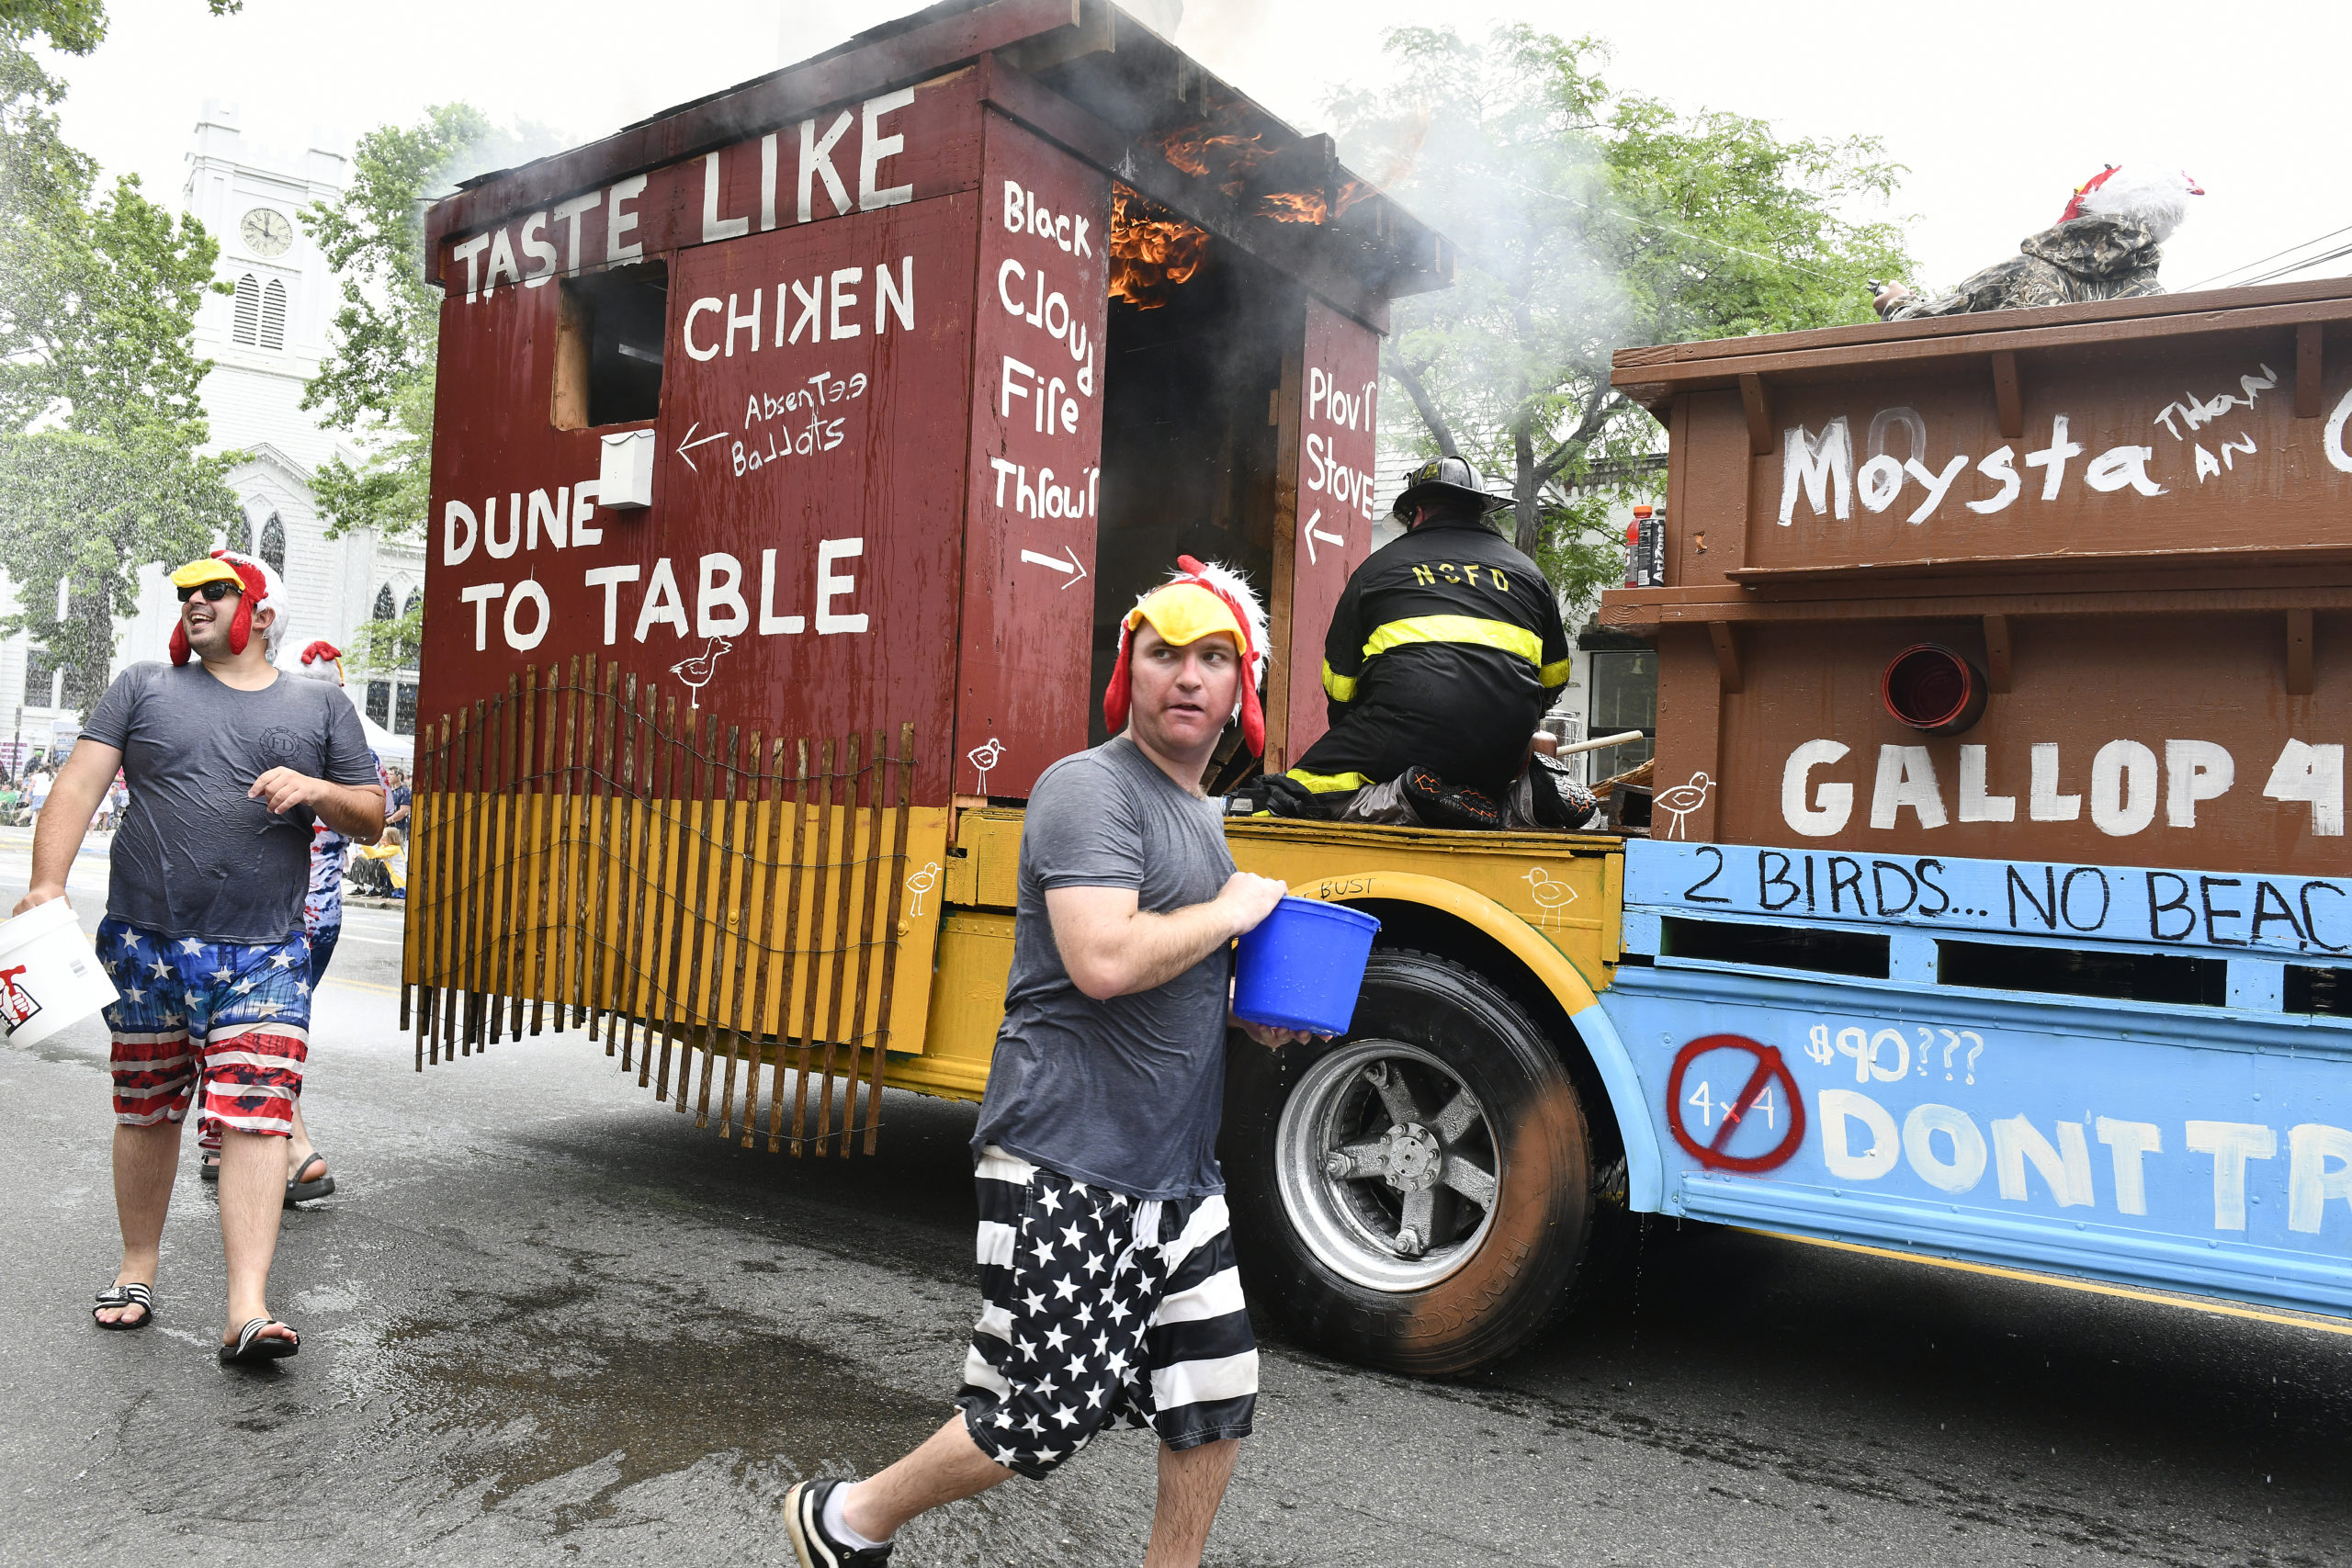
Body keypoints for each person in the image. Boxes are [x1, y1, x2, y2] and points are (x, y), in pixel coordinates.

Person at [784, 557, 1315, 1568]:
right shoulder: (1088, 789)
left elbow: (1176, 970)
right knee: (1041, 1409)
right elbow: (1104, 959)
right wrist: (1237, 911)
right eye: (1166, 655)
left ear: (1239, 687)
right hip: (1067, 1156)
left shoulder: (1202, 818)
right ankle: (848, 1519)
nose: (1190, 676)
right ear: (1131, 674)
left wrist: (1253, 1015)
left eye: (1214, 658)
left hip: (1174, 1171)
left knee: (1213, 1391)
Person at [17, 550, 383, 1360]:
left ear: (260, 609)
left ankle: (247, 1308)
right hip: (146, 944)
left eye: (216, 590)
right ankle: (137, 1268)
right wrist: (47, 881)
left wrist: (316, 789)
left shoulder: (320, 706)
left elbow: (371, 812)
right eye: (187, 592)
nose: (195, 602)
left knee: (256, 1117)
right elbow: (78, 784)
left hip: (266, 951)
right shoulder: (143, 686)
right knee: (146, 1108)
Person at [1246, 457, 1585, 830]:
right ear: (1480, 511)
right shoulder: (1529, 573)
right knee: (1489, 786)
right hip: (1504, 748)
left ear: (1417, 512)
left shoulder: (1377, 568)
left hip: (1405, 735)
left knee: (1290, 795)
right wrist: (1505, 725)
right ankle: (1530, 798)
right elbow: (1554, 678)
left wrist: (1360, 735)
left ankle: (1410, 797)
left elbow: (1339, 685)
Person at [1874, 164, 2202, 321]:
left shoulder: (2023, 272)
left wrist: (1897, 301)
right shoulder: (2155, 300)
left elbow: (1926, 325)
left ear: (2085, 214)